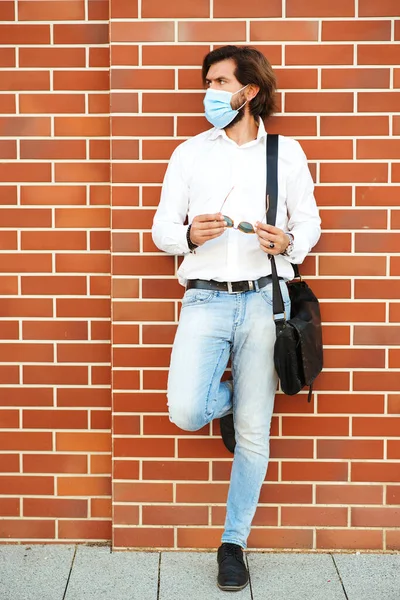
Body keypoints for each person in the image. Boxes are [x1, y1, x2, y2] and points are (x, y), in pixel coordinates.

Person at [152, 45, 321, 592]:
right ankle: (233, 406)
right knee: (184, 407)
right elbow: (161, 230)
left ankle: (233, 543)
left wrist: (288, 239)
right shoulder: (190, 153)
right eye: (208, 82)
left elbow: (310, 223)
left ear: (249, 91)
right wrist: (187, 236)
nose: (210, 93)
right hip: (204, 297)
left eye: (220, 82)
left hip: (261, 302)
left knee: (254, 433)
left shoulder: (285, 154)